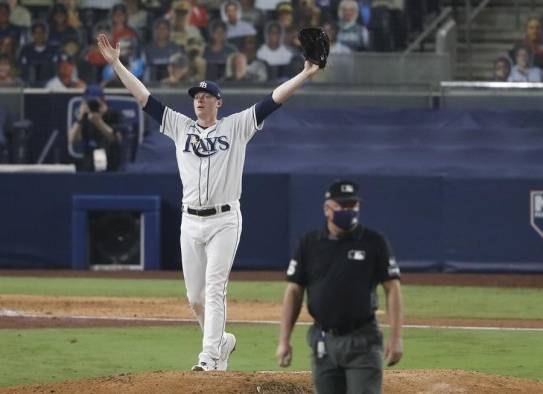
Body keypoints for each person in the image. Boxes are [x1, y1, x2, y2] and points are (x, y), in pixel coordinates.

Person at [96, 31, 321, 372]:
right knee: (194, 299)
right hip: (191, 221)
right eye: (196, 97)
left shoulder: (237, 127)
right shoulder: (179, 126)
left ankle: (209, 358)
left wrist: (305, 73)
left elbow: (273, 100)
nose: (199, 101)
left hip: (225, 220)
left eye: (206, 96)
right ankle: (221, 343)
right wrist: (117, 65)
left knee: (215, 290)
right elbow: (144, 96)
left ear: (219, 102)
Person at [276, 180, 404, 394]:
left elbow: (393, 288)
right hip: (323, 342)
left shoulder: (373, 242)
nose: (349, 210)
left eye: (353, 205)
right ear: (327, 209)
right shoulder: (310, 243)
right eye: (342, 206)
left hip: (362, 341)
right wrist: (284, 340)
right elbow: (294, 291)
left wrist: (396, 338)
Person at [68, 85, 124, 172]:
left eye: (95, 102)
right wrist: (80, 118)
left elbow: (115, 139)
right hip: (89, 163)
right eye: (90, 102)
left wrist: (98, 121)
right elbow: (72, 139)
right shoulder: (84, 117)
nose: (93, 106)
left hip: (111, 163)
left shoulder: (113, 114)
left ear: (103, 100)